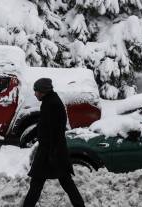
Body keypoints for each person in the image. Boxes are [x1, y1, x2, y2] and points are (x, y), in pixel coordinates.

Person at [22, 78, 85, 207]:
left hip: (51, 152)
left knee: (39, 183)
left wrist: (51, 153)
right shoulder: (49, 102)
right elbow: (43, 125)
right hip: (53, 151)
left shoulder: (52, 104)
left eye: (37, 91)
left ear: (44, 91)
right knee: (63, 181)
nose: (35, 94)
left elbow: (54, 131)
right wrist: (31, 135)